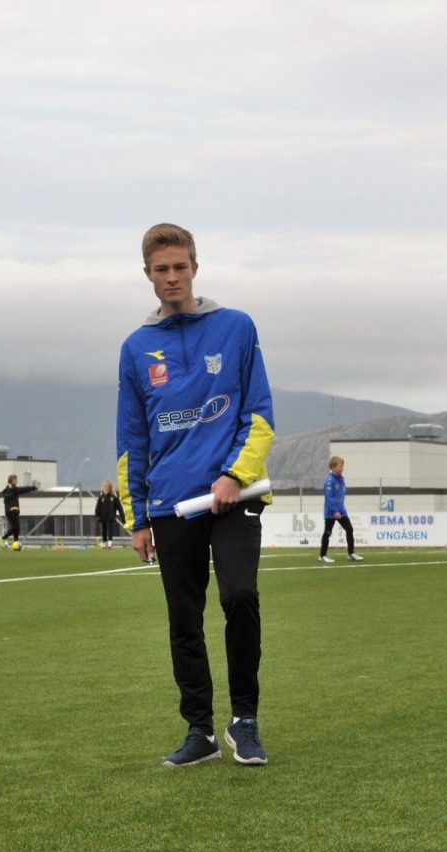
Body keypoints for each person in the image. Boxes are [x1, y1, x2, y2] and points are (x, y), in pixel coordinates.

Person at [116, 222, 274, 767]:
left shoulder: (236, 327)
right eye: (161, 270)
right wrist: (137, 518)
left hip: (235, 494)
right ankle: (199, 729)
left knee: (239, 596)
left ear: (195, 268)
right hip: (169, 505)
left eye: (180, 266)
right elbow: (132, 439)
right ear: (147, 275)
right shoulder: (137, 348)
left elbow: (259, 412)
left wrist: (234, 474)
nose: (172, 277)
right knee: (184, 618)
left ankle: (245, 720)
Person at [318, 456, 363, 564]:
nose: (342, 468)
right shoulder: (330, 481)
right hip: (331, 512)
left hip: (341, 511)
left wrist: (340, 510)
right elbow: (329, 498)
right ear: (333, 467)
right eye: (340, 466)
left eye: (342, 466)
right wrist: (334, 511)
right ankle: (322, 555)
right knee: (327, 533)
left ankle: (351, 553)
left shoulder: (341, 479)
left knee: (350, 529)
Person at [2, 474, 35, 548]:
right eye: (16, 479)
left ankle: (15, 543)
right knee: (15, 527)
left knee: (16, 528)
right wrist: (32, 488)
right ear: (12, 480)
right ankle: (2, 538)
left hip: (13, 510)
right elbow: (22, 489)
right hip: (11, 510)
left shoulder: (10, 488)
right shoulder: (12, 488)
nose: (17, 481)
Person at [95, 480, 122, 549]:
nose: (104, 487)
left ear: (109, 487)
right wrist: (97, 515)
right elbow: (98, 506)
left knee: (110, 529)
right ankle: (104, 543)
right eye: (104, 486)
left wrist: (122, 516)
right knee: (104, 530)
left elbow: (119, 507)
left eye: (106, 486)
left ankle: (110, 544)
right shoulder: (101, 495)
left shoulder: (114, 496)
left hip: (110, 516)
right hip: (103, 516)